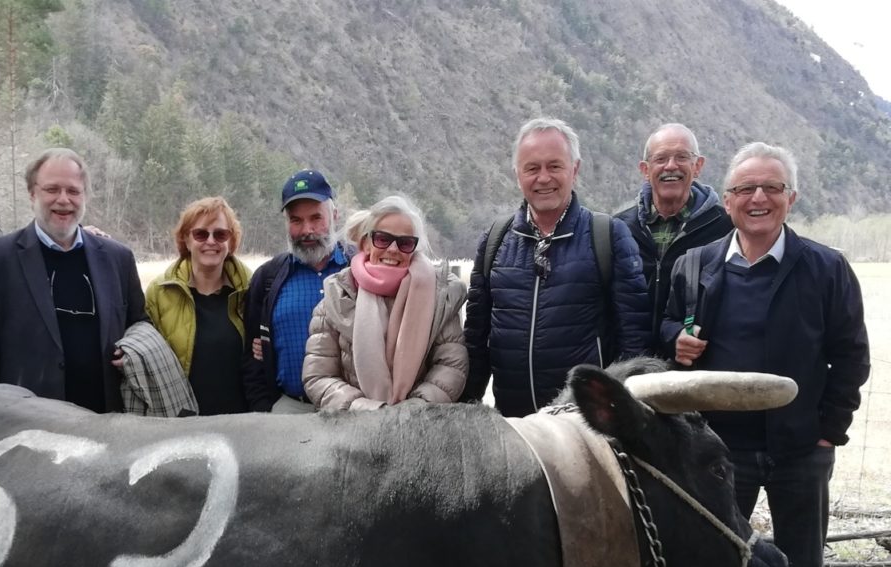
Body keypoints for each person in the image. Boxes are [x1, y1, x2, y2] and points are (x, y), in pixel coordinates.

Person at [661, 142, 870, 567]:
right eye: (746, 189)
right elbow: (667, 331)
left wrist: (830, 431)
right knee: (719, 561)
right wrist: (677, 344)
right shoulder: (693, 265)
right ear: (726, 200)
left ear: (791, 198)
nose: (759, 198)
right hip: (719, 449)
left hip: (802, 448)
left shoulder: (826, 268)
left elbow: (851, 356)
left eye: (772, 187)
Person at [462, 117, 650, 415]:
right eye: (532, 168)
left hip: (583, 425)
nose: (544, 178)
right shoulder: (496, 240)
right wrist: (467, 411)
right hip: (516, 427)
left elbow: (634, 340)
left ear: (574, 169)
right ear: (517, 174)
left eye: (555, 166)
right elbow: (475, 340)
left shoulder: (608, 236)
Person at [0, 147, 147, 412]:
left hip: (107, 426)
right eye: (52, 190)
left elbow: (139, 325)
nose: (63, 200)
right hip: (29, 426)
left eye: (73, 191)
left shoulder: (119, 259)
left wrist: (133, 351)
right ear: (32, 193)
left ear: (85, 197)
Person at [302, 196, 467, 410]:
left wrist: (415, 408)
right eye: (382, 239)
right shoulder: (336, 298)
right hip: (351, 425)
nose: (393, 249)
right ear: (366, 244)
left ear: (414, 248)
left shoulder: (440, 297)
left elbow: (451, 366)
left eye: (405, 242)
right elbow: (319, 375)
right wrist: (365, 408)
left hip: (418, 425)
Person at [615, 123, 733, 347]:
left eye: (681, 157)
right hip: (631, 366)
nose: (671, 166)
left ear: (697, 166)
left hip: (698, 366)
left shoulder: (725, 228)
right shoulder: (619, 229)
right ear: (645, 170)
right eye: (660, 159)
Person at [243, 169, 351, 412]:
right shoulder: (267, 278)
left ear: (334, 215)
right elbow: (251, 355)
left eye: (316, 218)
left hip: (353, 412)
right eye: (296, 220)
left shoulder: (360, 269)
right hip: (288, 411)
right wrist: (266, 407)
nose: (306, 230)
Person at [144, 196, 251, 414]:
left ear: (231, 241)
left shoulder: (251, 289)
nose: (211, 241)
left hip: (241, 423)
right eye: (201, 234)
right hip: (180, 423)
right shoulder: (160, 292)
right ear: (186, 238)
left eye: (220, 234)